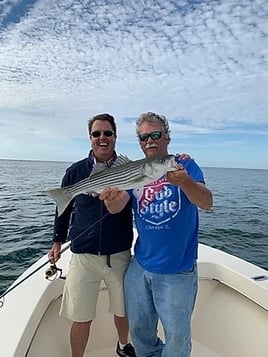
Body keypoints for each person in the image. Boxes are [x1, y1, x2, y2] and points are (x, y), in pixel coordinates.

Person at [100, 112, 213, 357]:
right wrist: (109, 200)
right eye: (144, 137)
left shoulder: (186, 165)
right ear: (140, 143)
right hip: (140, 265)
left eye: (155, 135)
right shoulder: (136, 172)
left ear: (167, 137)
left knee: (177, 340)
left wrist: (185, 183)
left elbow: (206, 202)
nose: (149, 140)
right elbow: (117, 205)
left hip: (177, 269)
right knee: (140, 333)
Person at [48, 113, 136, 357]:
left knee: (123, 310)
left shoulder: (129, 171)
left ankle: (122, 345)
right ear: (90, 138)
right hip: (83, 255)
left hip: (118, 253)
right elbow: (62, 209)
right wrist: (57, 241)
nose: (102, 138)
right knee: (80, 317)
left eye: (107, 133)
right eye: (97, 134)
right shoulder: (75, 172)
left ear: (115, 137)